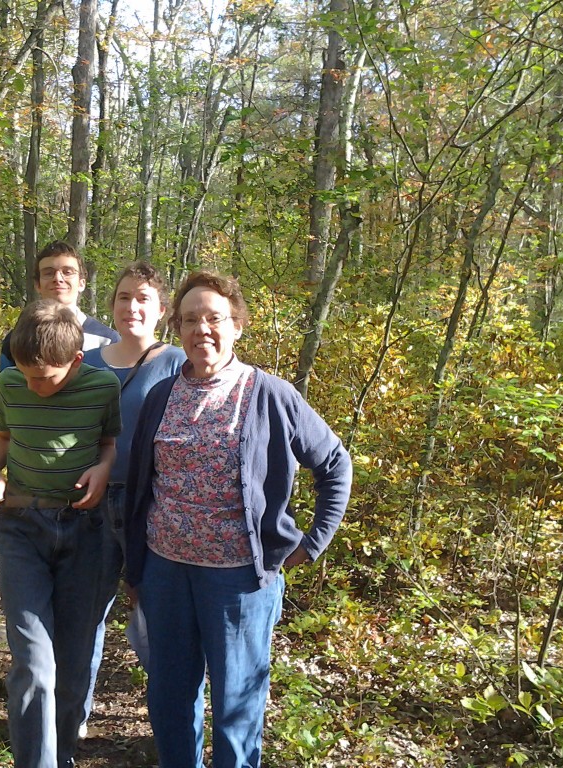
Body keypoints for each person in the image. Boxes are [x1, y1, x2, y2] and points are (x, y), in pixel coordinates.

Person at [123, 271, 352, 768]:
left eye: (214, 318)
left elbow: (334, 464)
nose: (201, 329)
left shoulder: (270, 394)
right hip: (165, 573)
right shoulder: (160, 397)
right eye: (189, 320)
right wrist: (135, 569)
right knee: (168, 698)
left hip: (240, 581)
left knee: (236, 706)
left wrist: (311, 542)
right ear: (177, 328)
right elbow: (142, 488)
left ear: (238, 326)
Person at [0, 299, 121, 768]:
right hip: (22, 527)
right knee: (35, 665)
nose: (34, 386)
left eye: (47, 377)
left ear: (77, 361)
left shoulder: (103, 387)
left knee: (73, 662)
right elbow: (1, 439)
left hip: (85, 532)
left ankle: (60, 755)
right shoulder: (10, 383)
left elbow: (108, 445)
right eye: (26, 374)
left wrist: (103, 470)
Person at [80, 262, 185, 729]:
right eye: (124, 298)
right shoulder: (88, 363)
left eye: (143, 299)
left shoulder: (177, 363)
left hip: (152, 506)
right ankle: (71, 722)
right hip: (89, 507)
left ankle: (169, 726)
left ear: (161, 310)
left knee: (156, 622)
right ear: (112, 305)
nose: (132, 307)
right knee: (83, 620)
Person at [0, 240, 119, 371]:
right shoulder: (17, 338)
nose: (58, 278)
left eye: (67, 272)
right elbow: (7, 389)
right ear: (37, 285)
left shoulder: (106, 340)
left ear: (81, 283)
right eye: (48, 273)